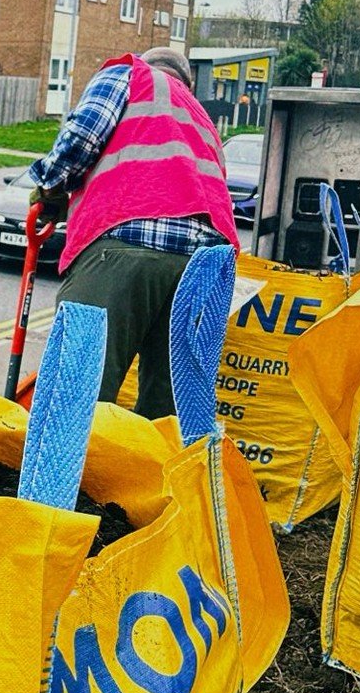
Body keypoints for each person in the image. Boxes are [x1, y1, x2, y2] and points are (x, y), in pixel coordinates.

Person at [28, 46, 238, 419]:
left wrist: (50, 185)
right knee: (170, 409)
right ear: (187, 83)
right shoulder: (201, 117)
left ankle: (76, 477)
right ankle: (154, 476)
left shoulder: (131, 75)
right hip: (205, 268)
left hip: (128, 242)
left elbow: (81, 140)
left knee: (79, 393)